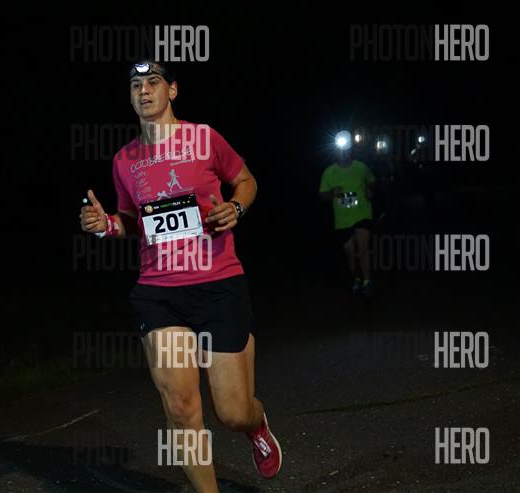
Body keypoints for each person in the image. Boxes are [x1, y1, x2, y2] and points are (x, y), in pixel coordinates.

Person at [79, 61, 281, 492]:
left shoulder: (204, 138)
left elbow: (246, 181)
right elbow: (132, 221)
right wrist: (106, 225)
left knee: (232, 412)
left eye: (153, 82)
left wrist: (236, 208)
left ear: (172, 90)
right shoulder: (124, 160)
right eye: (136, 85)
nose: (143, 91)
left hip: (218, 285)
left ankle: (256, 424)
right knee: (180, 407)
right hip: (159, 293)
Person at [319, 144, 376, 295]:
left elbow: (372, 181)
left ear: (351, 151)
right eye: (340, 150)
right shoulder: (329, 172)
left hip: (362, 213)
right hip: (342, 218)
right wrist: (333, 193)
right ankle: (356, 278)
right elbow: (323, 195)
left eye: (346, 150)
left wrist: (369, 189)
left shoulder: (361, 167)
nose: (343, 153)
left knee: (363, 248)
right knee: (350, 252)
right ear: (335, 152)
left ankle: (367, 281)